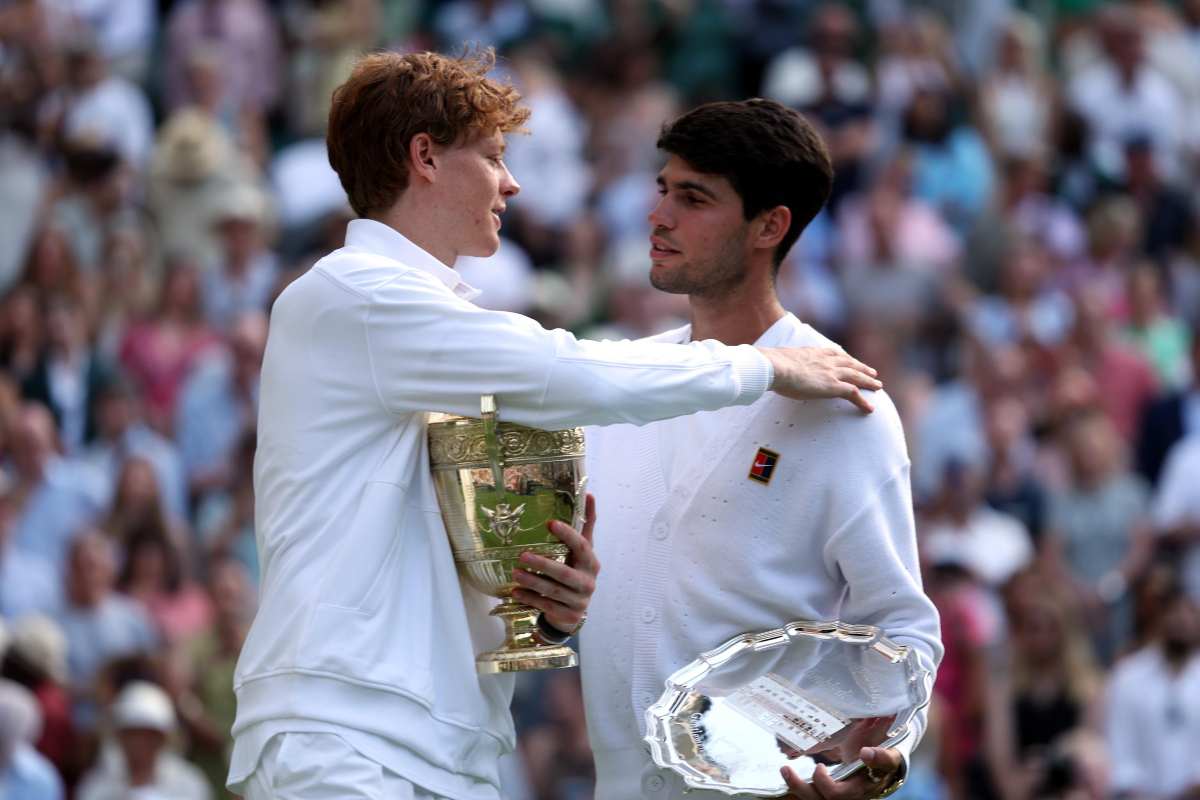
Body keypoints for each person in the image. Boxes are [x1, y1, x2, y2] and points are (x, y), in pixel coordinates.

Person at [229, 50, 882, 800]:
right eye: (495, 157)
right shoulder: (352, 296)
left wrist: (546, 606)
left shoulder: (421, 324)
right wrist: (763, 367)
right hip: (343, 744)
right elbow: (567, 372)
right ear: (426, 158)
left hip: (439, 747)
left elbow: (443, 556)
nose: (512, 183)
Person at [575, 99, 942, 800]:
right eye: (663, 191)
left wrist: (875, 759)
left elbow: (902, 629)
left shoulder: (848, 406)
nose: (659, 216)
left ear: (769, 226)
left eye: (694, 199)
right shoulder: (621, 380)